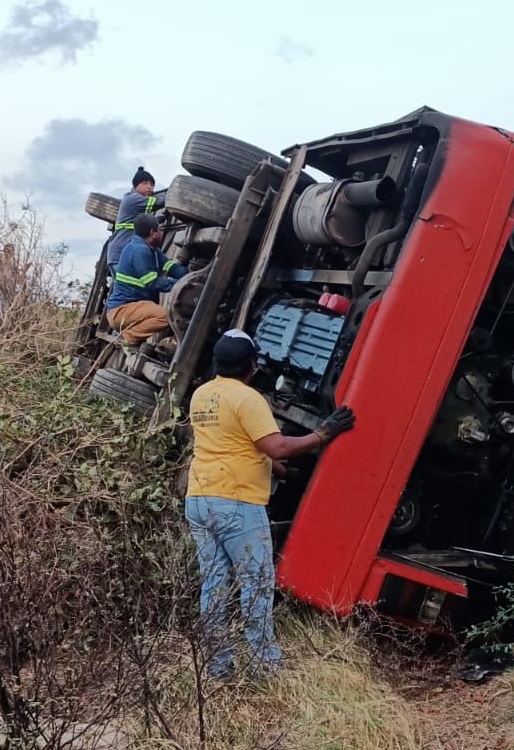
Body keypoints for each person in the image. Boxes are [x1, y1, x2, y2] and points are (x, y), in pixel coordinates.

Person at [185, 330, 356, 680]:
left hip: (200, 499)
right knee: (257, 584)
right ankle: (266, 668)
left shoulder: (202, 395)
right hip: (236, 503)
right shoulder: (247, 399)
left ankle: (218, 668)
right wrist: (323, 433)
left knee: (214, 585)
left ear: (218, 363)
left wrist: (277, 470)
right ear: (252, 365)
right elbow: (277, 446)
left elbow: (231, 442)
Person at [105, 213, 187, 348]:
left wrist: (190, 274)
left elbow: (171, 268)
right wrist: (181, 284)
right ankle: (126, 338)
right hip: (121, 311)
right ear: (152, 232)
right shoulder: (139, 251)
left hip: (131, 309)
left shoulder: (152, 250)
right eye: (159, 229)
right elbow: (152, 283)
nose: (161, 232)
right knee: (165, 316)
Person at [107, 166, 164, 277]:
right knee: (129, 290)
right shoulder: (132, 199)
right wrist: (173, 193)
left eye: (152, 185)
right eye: (145, 183)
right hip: (120, 255)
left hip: (123, 255)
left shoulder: (137, 204)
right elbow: (158, 201)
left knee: (125, 291)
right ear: (136, 185)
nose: (149, 187)